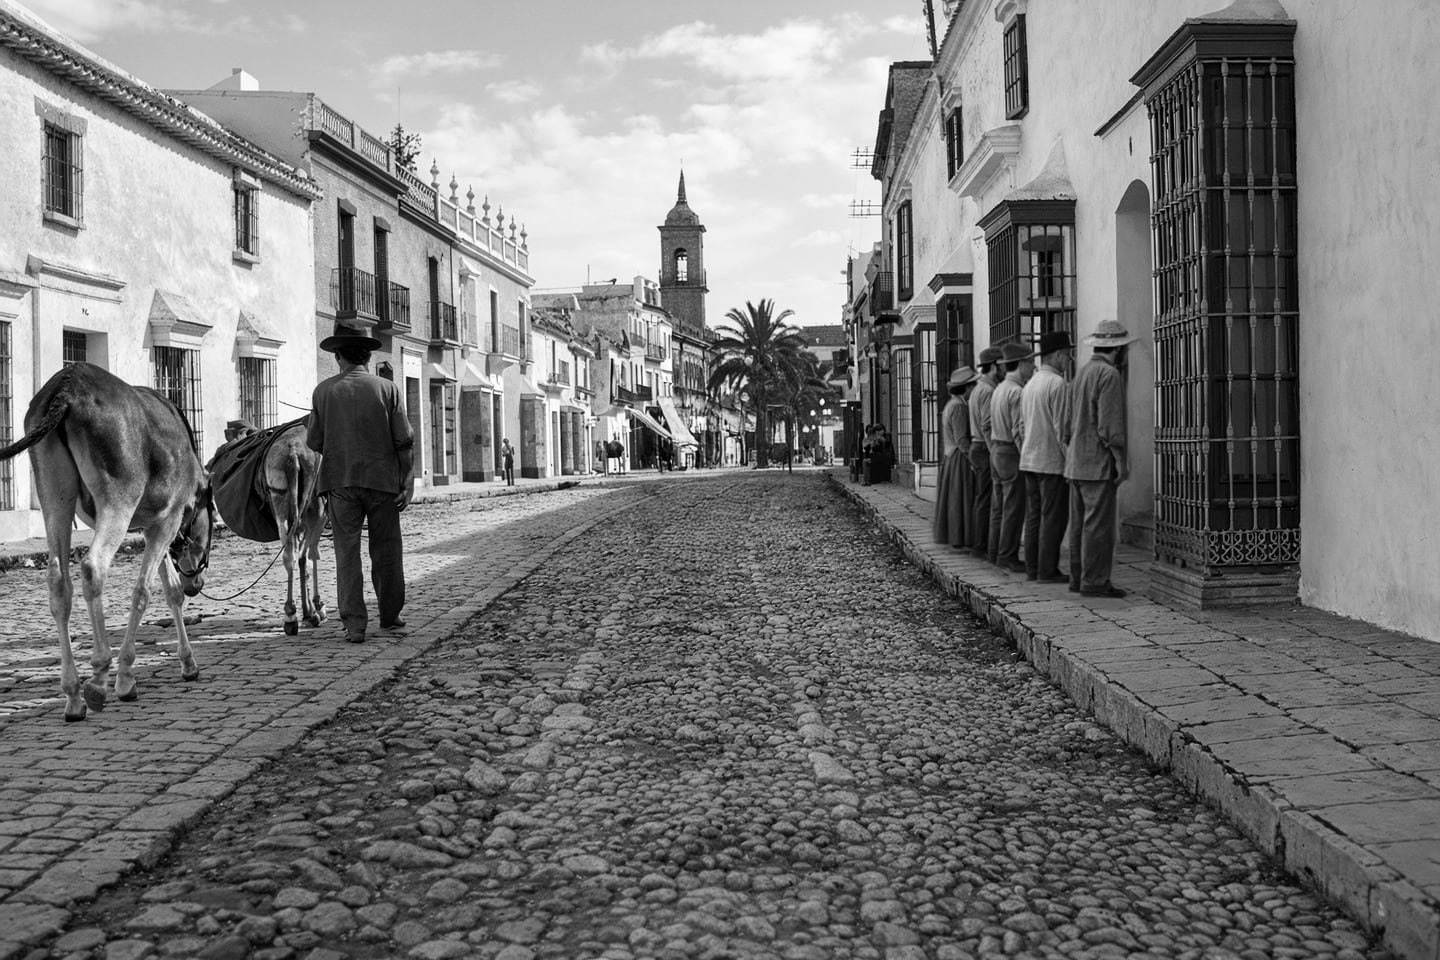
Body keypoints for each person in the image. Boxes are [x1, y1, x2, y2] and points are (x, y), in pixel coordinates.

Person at [307, 325, 414, 644]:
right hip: (383, 483)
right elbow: (404, 441)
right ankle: (390, 615)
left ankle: (354, 625)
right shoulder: (388, 389)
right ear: (367, 357)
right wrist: (406, 481)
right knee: (387, 550)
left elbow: (314, 441)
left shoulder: (323, 391)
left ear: (338, 357)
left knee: (347, 553)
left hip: (340, 483)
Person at [1063, 320, 1135, 598]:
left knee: (1080, 525)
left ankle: (1078, 578)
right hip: (1097, 463)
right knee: (1098, 527)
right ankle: (1094, 581)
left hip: (1076, 462)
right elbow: (1110, 427)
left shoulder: (1082, 373)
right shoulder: (1109, 375)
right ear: (1116, 349)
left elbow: (1067, 422)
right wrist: (1120, 461)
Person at [1020, 330, 1075, 582]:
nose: (1070, 360)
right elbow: (1061, 428)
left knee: (1033, 516)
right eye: (1068, 355)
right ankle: (1047, 570)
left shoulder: (1030, 384)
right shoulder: (1057, 384)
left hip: (1029, 459)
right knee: (1053, 518)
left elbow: (1021, 426)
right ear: (1058, 355)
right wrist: (1069, 463)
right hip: (1050, 461)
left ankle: (1033, 568)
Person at [989, 341, 1035, 573]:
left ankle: (998, 551)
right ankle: (1008, 555)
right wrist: (1026, 457)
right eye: (1030, 362)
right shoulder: (1016, 391)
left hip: (997, 450)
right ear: (1022, 364)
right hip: (1010, 452)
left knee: (1000, 506)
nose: (1033, 367)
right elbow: (1019, 429)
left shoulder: (999, 389)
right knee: (1013, 508)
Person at [933, 365, 979, 549]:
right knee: (962, 498)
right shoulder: (960, 407)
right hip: (959, 457)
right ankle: (962, 536)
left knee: (954, 499)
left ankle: (955, 536)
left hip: (950, 455)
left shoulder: (950, 404)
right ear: (966, 388)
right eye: (972, 386)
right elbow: (962, 438)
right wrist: (972, 457)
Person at [968, 346, 1003, 559]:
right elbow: (988, 425)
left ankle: (979, 543)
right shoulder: (988, 391)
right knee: (987, 500)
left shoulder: (977, 388)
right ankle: (982, 545)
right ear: (994, 366)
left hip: (977, 446)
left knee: (982, 498)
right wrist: (995, 454)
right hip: (984, 447)